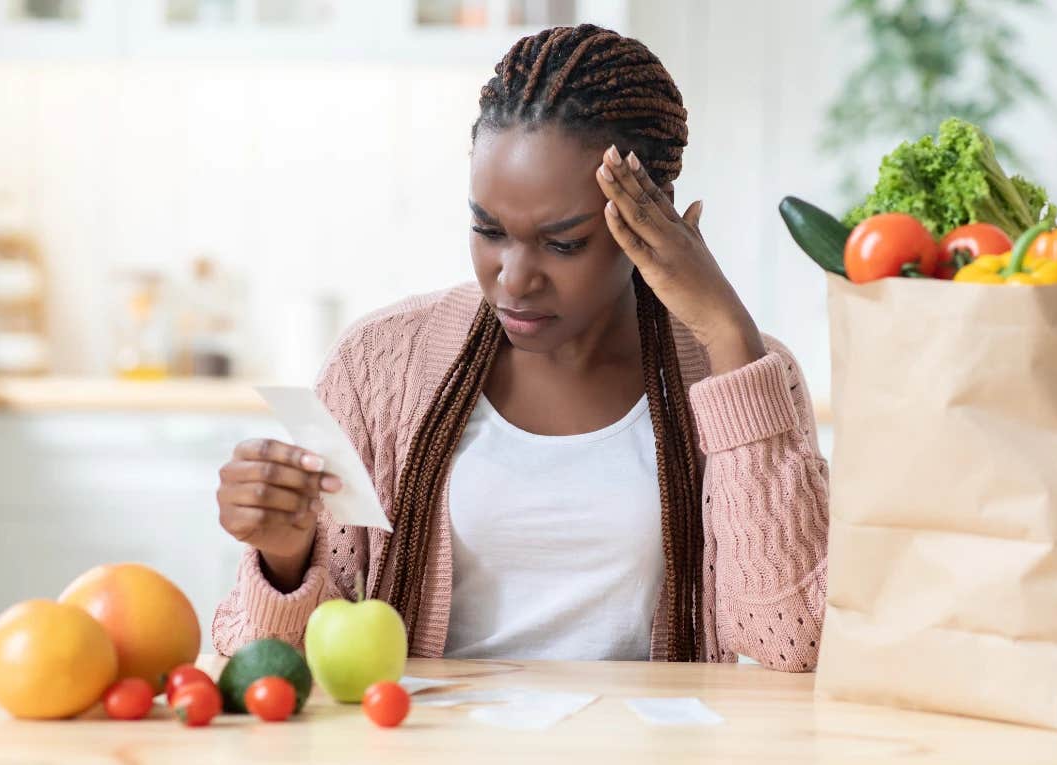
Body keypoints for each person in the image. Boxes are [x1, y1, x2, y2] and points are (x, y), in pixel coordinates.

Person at [213, 24, 829, 671]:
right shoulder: (376, 365)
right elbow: (271, 666)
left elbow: (794, 641)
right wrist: (285, 559)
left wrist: (729, 336)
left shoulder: (746, 372)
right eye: (489, 230)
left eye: (562, 243)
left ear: (653, 211)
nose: (513, 277)